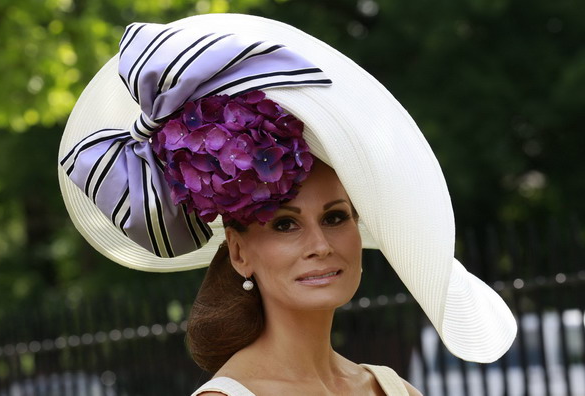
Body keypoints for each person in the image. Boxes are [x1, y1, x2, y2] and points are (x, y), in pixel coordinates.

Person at [58, 14, 517, 395]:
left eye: (335, 217)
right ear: (238, 252)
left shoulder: (393, 389)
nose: (320, 244)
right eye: (283, 225)